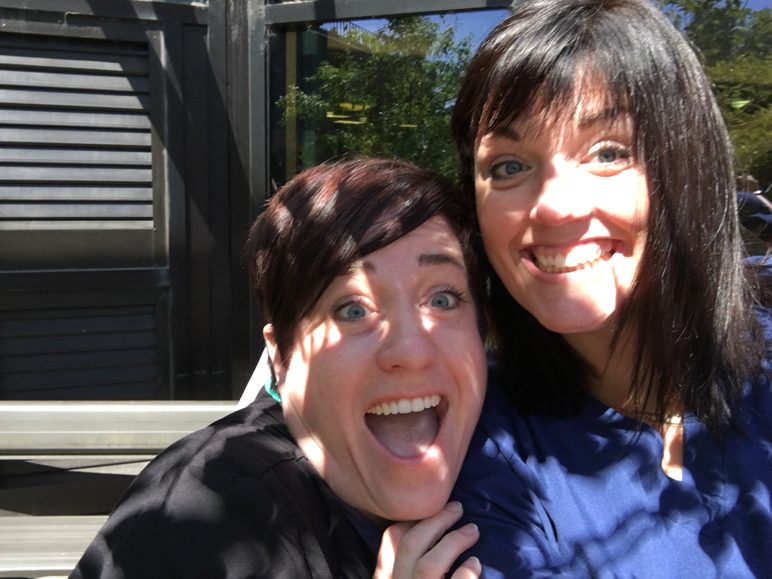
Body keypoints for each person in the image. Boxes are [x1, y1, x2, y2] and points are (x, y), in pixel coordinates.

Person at [448, 0, 772, 576]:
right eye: (508, 166)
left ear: (690, 167)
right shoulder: (480, 449)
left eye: (607, 153)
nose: (554, 208)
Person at [70, 158, 489, 578]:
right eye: (353, 309)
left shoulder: (503, 453)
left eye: (442, 299)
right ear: (280, 357)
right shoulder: (205, 519)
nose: (411, 351)